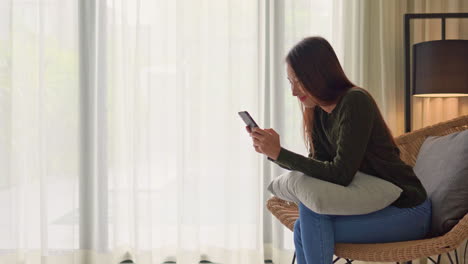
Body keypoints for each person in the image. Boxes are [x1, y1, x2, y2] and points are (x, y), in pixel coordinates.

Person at [245, 36, 431, 264]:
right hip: (371, 206)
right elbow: (320, 174)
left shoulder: (355, 101)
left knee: (307, 226)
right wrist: (273, 153)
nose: (294, 91)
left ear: (319, 74)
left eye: (299, 81)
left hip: (407, 211)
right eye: (290, 81)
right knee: (309, 213)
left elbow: (341, 174)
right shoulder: (317, 112)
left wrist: (280, 153)